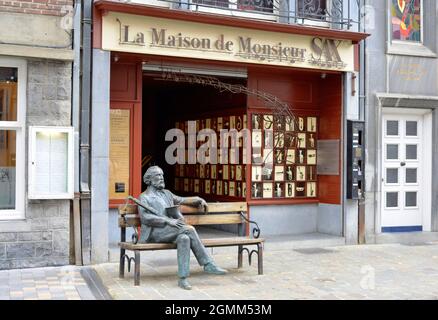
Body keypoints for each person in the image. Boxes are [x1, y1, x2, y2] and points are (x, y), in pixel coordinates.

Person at [136, 166, 227, 290]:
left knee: (184, 238)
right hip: (154, 233)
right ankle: (207, 263)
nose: (162, 178)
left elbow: (182, 199)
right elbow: (145, 218)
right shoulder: (144, 197)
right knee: (189, 229)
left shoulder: (166, 193)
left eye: (162, 175)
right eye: (158, 175)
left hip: (170, 230)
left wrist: (198, 199)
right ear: (149, 179)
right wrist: (168, 220)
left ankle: (182, 279)